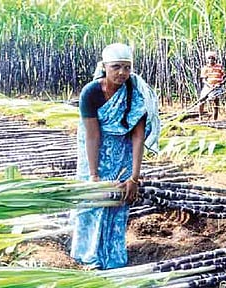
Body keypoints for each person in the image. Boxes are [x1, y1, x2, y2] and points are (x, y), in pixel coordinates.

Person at [71, 43, 160, 270]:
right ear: (105, 67)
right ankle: (87, 256)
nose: (122, 73)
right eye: (116, 67)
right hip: (94, 153)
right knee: (91, 202)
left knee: (117, 203)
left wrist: (134, 177)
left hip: (123, 155)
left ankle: (112, 259)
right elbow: (92, 136)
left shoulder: (136, 93)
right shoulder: (90, 92)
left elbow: (138, 138)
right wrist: (93, 175)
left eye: (127, 68)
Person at [198, 50, 225, 120]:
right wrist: (209, 85)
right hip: (207, 87)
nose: (211, 60)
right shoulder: (205, 68)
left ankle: (214, 119)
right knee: (201, 101)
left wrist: (220, 84)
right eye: (209, 58)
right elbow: (204, 80)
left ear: (214, 59)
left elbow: (225, 77)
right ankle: (200, 117)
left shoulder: (219, 67)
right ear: (207, 59)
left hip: (217, 88)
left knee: (215, 101)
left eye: (212, 58)